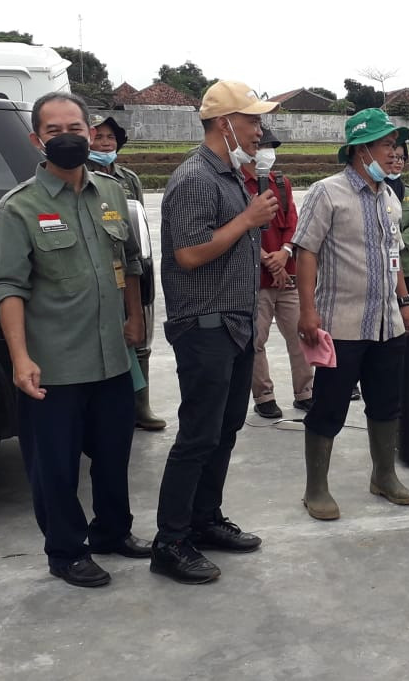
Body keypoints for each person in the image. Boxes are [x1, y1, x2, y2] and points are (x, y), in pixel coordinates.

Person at [0, 92, 151, 587]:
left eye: (75, 129)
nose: (66, 138)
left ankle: (112, 532)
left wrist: (134, 319)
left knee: (114, 454)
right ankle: (65, 551)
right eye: (54, 131)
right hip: (53, 365)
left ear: (89, 132)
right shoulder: (17, 209)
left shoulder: (112, 194)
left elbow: (129, 262)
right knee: (55, 467)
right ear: (38, 139)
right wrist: (20, 358)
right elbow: (7, 289)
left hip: (112, 357)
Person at [152, 80, 280, 584]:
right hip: (204, 325)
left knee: (225, 431)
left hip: (235, 324)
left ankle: (204, 520)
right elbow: (187, 254)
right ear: (224, 123)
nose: (259, 131)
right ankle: (171, 538)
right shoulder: (194, 178)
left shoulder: (231, 175)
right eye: (252, 121)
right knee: (198, 435)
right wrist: (247, 222)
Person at [292, 107, 409, 521]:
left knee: (386, 404)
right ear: (361, 150)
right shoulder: (326, 192)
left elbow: (394, 255)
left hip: (388, 324)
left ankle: (383, 475)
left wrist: (405, 301)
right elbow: (306, 252)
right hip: (342, 323)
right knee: (329, 407)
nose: (393, 152)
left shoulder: (388, 198)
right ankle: (316, 488)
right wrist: (307, 311)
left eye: (395, 145)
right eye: (386, 144)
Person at [87, 113, 167, 431]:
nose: (105, 143)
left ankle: (140, 407)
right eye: (99, 137)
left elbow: (138, 227)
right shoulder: (81, 176)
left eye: (110, 138)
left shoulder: (129, 179)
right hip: (98, 269)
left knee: (139, 336)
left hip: (132, 266)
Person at [242, 127, 314, 419]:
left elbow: (293, 225)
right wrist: (269, 262)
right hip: (256, 280)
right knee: (256, 341)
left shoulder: (280, 184)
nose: (267, 152)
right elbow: (241, 229)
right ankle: (264, 395)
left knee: (301, 335)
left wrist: (284, 254)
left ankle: (306, 392)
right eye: (262, 146)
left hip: (287, 274)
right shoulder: (236, 184)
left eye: (270, 147)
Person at [386, 140, 409, 306]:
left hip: (407, 261)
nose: (399, 161)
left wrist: (399, 242)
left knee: (407, 306)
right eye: (394, 157)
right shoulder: (376, 188)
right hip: (383, 258)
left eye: (402, 158)